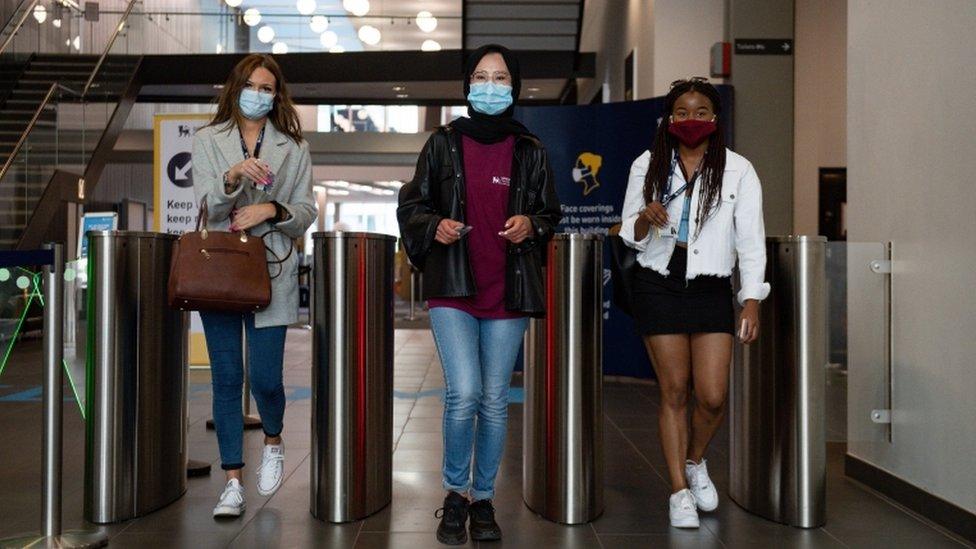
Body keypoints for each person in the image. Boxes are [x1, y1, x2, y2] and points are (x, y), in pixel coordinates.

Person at [397, 44, 561, 545]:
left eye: (500, 77)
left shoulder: (530, 149)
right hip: (454, 287)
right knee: (463, 392)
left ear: (515, 86)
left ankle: (483, 498)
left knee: (493, 400)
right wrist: (433, 225)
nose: (491, 85)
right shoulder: (442, 143)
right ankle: (454, 494)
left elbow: (550, 215)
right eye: (482, 77)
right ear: (467, 85)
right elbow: (412, 204)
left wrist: (530, 224)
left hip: (507, 289)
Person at [618, 78, 769, 528]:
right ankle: (679, 492)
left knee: (713, 395)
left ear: (715, 119)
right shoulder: (647, 164)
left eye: (700, 111)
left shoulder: (739, 169)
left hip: (710, 286)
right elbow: (629, 233)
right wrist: (645, 215)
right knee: (674, 390)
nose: (691, 120)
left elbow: (752, 240)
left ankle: (694, 460)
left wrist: (751, 300)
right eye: (682, 112)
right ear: (669, 118)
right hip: (659, 282)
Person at [191, 53, 315, 519]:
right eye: (252, 85)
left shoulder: (294, 146)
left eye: (267, 88)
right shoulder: (208, 140)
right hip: (220, 271)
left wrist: (271, 211)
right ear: (235, 87)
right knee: (225, 378)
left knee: (264, 378)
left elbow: (306, 210)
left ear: (276, 95)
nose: (258, 94)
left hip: (273, 272)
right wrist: (233, 176)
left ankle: (274, 438)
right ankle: (233, 482)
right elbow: (207, 204)